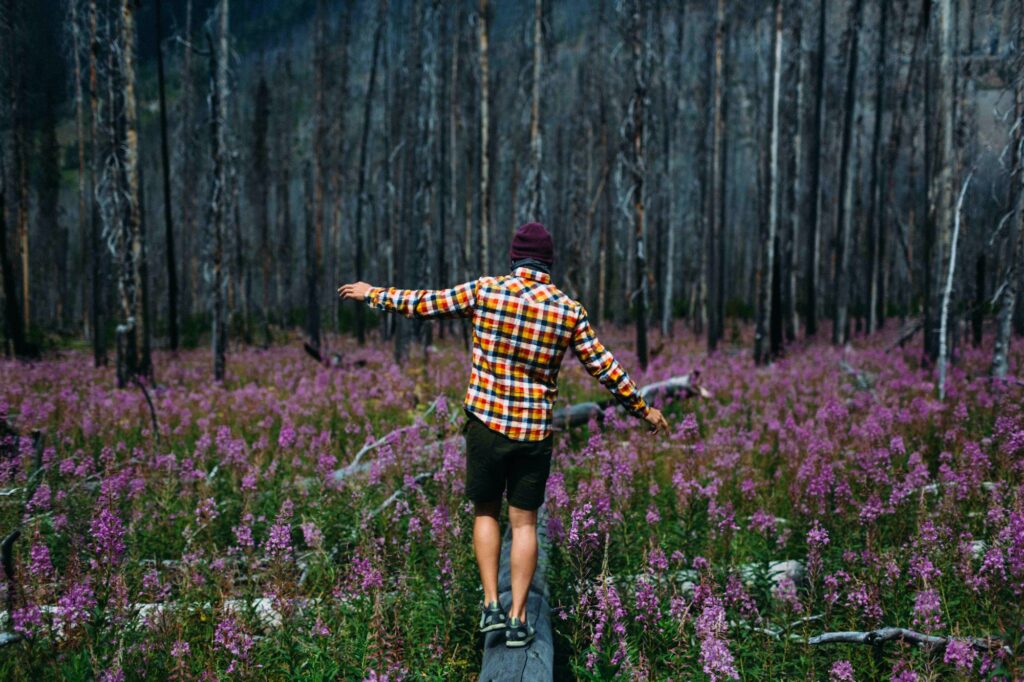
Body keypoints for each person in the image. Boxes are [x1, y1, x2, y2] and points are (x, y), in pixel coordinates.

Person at [338, 222, 669, 649]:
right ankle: (517, 620)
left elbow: (424, 304)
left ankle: (492, 605)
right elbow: (604, 367)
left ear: (515, 259)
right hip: (533, 433)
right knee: (525, 523)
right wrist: (643, 408)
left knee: (485, 514)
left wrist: (374, 294)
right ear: (548, 264)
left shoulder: (487, 291)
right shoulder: (568, 310)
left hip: (486, 427)